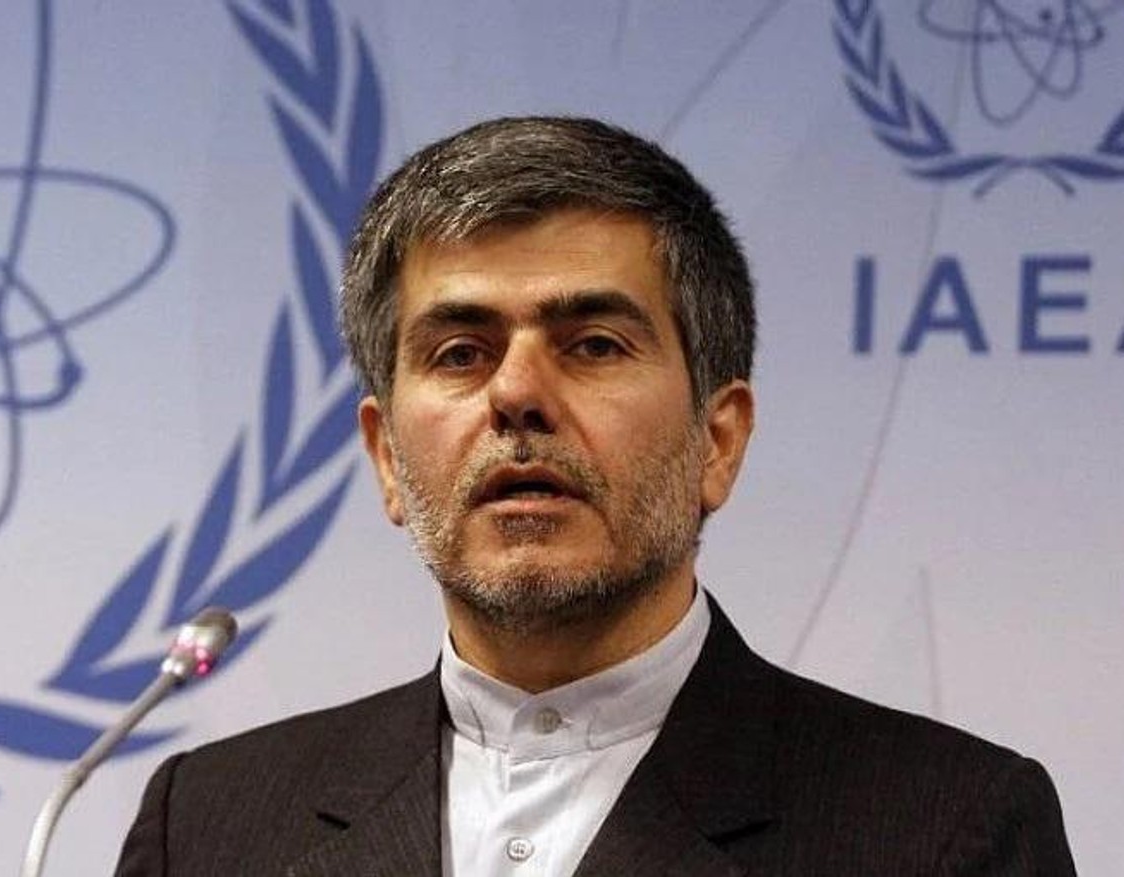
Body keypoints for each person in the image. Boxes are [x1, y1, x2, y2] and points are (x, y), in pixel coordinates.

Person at [113, 116, 1076, 876]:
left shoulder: (947, 828)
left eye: (594, 345)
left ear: (718, 440)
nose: (517, 393)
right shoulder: (207, 824)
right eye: (461, 352)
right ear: (387, 459)